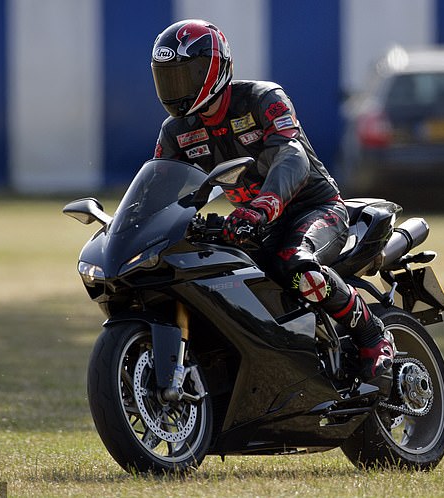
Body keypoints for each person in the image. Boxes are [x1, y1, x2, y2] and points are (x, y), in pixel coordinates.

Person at [150, 19, 393, 380]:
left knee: (296, 266)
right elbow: (159, 184)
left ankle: (374, 335)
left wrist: (265, 204)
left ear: (215, 69)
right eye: (168, 77)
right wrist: (133, 223)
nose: (177, 87)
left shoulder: (263, 98)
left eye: (186, 74)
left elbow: (291, 154)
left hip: (315, 208)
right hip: (254, 223)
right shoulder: (176, 131)